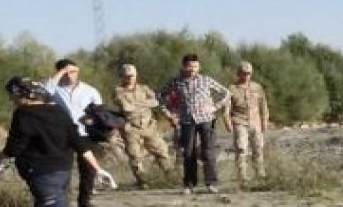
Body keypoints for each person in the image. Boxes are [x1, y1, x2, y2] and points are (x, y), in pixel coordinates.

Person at [0, 78, 114, 207]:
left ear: (20, 95)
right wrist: (98, 169)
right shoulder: (58, 110)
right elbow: (78, 142)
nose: (12, 100)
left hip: (43, 175)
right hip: (62, 171)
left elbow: (14, 148)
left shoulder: (24, 114)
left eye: (13, 96)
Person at [159, 54, 231, 194]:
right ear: (183, 66)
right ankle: (189, 184)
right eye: (190, 66)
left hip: (206, 119)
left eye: (195, 66)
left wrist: (215, 107)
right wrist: (169, 114)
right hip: (186, 121)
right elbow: (159, 96)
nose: (192, 69)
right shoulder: (176, 82)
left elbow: (227, 93)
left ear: (199, 67)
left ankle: (211, 183)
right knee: (188, 153)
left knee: (208, 151)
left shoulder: (206, 80)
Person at [45, 58, 103, 207]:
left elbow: (99, 111)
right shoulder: (54, 89)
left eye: (74, 72)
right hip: (62, 134)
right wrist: (60, 73)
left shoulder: (90, 90)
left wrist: (93, 119)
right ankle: (63, 200)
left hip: (85, 133)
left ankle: (85, 200)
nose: (71, 75)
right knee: (64, 167)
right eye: (67, 72)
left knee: (88, 168)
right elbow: (44, 91)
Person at [111, 64, 174, 188]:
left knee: (161, 151)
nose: (130, 78)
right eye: (127, 76)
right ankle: (142, 181)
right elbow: (126, 108)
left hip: (149, 126)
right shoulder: (118, 91)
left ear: (136, 76)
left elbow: (156, 102)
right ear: (122, 77)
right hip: (131, 128)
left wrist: (137, 103)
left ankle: (170, 177)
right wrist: (146, 103)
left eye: (132, 76)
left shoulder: (144, 88)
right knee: (135, 156)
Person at [225, 60, 271, 182]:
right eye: (243, 73)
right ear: (238, 73)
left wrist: (265, 121)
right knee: (241, 149)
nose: (246, 76)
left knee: (258, 148)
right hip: (240, 122)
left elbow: (263, 105)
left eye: (248, 73)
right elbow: (227, 108)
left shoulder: (257, 87)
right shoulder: (232, 88)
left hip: (256, 122)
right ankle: (242, 176)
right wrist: (228, 122)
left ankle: (260, 174)